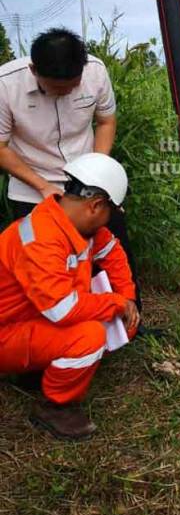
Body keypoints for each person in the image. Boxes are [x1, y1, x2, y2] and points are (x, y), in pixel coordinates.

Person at [0, 27, 141, 312]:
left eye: (72, 87)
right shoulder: (5, 85)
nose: (65, 93)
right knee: (48, 271)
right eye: (56, 88)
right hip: (32, 185)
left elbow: (105, 122)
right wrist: (42, 186)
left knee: (114, 248)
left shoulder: (96, 72)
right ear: (33, 69)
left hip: (87, 182)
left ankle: (130, 323)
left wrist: (97, 176)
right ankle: (63, 334)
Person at [0, 153, 139, 440]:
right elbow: (62, 310)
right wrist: (115, 303)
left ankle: (36, 367)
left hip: (29, 320)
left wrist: (128, 298)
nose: (108, 222)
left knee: (98, 320)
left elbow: (112, 253)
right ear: (96, 205)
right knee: (89, 336)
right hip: (6, 332)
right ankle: (55, 407)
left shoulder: (76, 225)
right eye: (110, 213)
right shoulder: (40, 237)